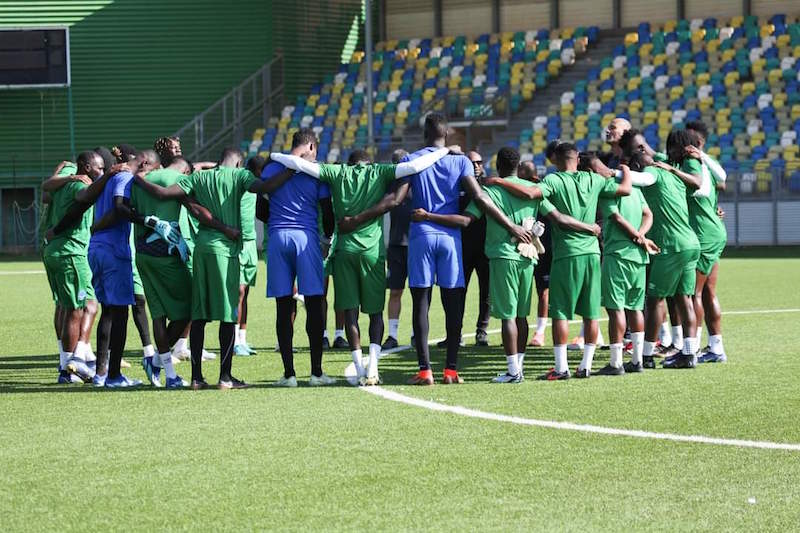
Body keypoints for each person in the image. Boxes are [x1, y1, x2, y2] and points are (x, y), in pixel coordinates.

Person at [271, 144, 451, 385]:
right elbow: (415, 166)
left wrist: (274, 156)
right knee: (376, 313)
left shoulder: (337, 172)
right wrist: (444, 150)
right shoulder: (379, 171)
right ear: (369, 161)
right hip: (372, 252)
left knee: (350, 312)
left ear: (349, 162)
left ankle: (358, 369)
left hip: (345, 251)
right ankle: (373, 367)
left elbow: (300, 164)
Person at [390, 113, 532, 385]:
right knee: (453, 302)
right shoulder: (460, 162)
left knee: (421, 302)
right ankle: (451, 371)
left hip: (421, 235)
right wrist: (512, 226)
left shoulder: (412, 160)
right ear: (447, 134)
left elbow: (397, 199)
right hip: (451, 238)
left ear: (424, 134)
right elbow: (479, 197)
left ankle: (425, 371)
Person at [134, 147, 290, 389]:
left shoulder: (197, 177)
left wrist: (137, 177)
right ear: (239, 164)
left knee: (199, 315)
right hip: (225, 251)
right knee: (228, 315)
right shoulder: (240, 176)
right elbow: (266, 188)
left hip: (201, 249)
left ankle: (196, 378)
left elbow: (164, 193)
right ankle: (225, 377)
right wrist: (291, 170)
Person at [485, 142, 631, 379]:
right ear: (577, 158)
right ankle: (585, 367)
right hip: (593, 253)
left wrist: (499, 181)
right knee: (592, 312)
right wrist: (622, 170)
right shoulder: (593, 180)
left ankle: (562, 368)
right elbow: (625, 189)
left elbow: (532, 194)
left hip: (567, 253)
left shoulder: (554, 180)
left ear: (557, 160)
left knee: (561, 313)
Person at [464, 147, 599, 382]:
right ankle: (520, 366)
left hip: (503, 255)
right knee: (522, 316)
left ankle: (513, 370)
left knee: (507, 316)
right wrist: (590, 228)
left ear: (498, 166)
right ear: (517, 167)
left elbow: (469, 218)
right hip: (528, 258)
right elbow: (556, 217)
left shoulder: (491, 189)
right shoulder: (531, 191)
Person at [130, 155, 230, 388]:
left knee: (157, 312)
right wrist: (223, 228)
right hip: (166, 253)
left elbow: (127, 210)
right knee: (191, 310)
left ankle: (164, 368)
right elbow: (195, 210)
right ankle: (160, 366)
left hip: (142, 253)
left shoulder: (142, 178)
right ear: (186, 172)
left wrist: (150, 221)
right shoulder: (180, 180)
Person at [619, 129, 709, 370]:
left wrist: (613, 173)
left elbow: (639, 180)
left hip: (671, 244)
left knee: (656, 300)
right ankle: (689, 354)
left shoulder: (652, 173)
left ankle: (646, 355)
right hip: (691, 243)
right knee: (684, 299)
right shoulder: (676, 176)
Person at [261, 129, 335, 387]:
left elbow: (260, 204)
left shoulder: (272, 167)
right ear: (312, 147)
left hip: (278, 238)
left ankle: (289, 374)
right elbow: (327, 211)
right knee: (314, 303)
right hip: (306, 238)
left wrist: (276, 222)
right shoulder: (316, 170)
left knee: (284, 306)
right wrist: (328, 239)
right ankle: (316, 373)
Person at [586, 151, 660, 375]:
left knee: (615, 308)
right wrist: (642, 236)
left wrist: (637, 237)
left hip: (618, 253)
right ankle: (637, 360)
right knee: (635, 308)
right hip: (639, 256)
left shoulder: (609, 190)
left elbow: (616, 218)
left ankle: (616, 362)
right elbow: (649, 214)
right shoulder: (636, 189)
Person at [40, 156, 101, 383]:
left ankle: (76, 360)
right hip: (71, 253)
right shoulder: (79, 184)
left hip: (54, 251)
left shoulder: (61, 186)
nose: (101, 171)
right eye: (99, 167)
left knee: (71, 306)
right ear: (86, 167)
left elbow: (46, 189)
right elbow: (82, 198)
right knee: (81, 307)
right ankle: (71, 365)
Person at [685, 121, 728, 363]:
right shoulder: (703, 166)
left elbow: (722, 178)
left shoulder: (698, 165)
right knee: (709, 292)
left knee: (695, 293)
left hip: (703, 236)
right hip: (711, 232)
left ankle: (697, 348)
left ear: (699, 143)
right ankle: (716, 347)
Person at [382, 149, 412, 350]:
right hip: (395, 244)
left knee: (421, 292)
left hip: (417, 245)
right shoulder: (389, 185)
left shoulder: (418, 183)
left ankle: (417, 333)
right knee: (395, 291)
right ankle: (392, 335)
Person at [233, 155, 263, 356]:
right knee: (239, 292)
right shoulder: (241, 181)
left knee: (247, 292)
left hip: (251, 241)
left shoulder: (256, 188)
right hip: (239, 241)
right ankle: (234, 340)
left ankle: (243, 338)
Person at [519, 158, 550, 347]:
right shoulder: (514, 193)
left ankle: (540, 332)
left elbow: (553, 216)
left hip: (544, 247)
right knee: (526, 290)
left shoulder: (543, 193)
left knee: (544, 290)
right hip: (521, 247)